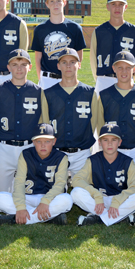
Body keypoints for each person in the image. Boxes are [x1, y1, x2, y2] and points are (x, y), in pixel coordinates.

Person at [0, 123, 71, 226]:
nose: (43, 145)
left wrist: (45, 202)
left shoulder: (61, 157)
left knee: (67, 200)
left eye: (47, 141)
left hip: (50, 199)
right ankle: (48, 218)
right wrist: (21, 207)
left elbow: (60, 184)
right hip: (27, 197)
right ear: (33, 142)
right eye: (38, 141)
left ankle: (15, 219)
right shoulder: (25, 154)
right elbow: (19, 183)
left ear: (54, 141)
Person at [71, 123, 135, 227]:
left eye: (114, 140)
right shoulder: (93, 160)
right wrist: (96, 195)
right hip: (99, 200)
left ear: (120, 142)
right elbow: (77, 180)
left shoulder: (127, 161)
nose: (109, 144)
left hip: (120, 200)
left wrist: (117, 200)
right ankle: (120, 217)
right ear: (100, 142)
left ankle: (98, 218)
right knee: (75, 193)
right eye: (105, 140)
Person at [0, 49, 44, 193]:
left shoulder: (38, 91)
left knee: (30, 192)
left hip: (29, 147)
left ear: (30, 67)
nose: (19, 68)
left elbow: (43, 120)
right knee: (0, 192)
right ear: (8, 67)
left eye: (23, 64)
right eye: (14, 64)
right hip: (5, 148)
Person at [98, 51, 135, 185]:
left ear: (134, 69)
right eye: (120, 67)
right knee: (112, 190)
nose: (124, 71)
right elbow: (100, 124)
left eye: (128, 67)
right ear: (114, 69)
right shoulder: (104, 95)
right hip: (113, 152)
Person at [42, 48, 98, 177]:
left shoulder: (89, 93)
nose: (68, 65)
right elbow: (45, 123)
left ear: (79, 65)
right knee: (55, 193)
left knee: (83, 193)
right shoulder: (48, 93)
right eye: (64, 62)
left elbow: (93, 123)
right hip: (56, 152)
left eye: (72, 62)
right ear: (58, 66)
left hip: (82, 153)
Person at [31, 0, 87, 89]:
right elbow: (38, 58)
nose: (55, 4)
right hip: (47, 79)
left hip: (67, 78)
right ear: (47, 4)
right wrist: (41, 78)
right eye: (51, 1)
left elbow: (79, 56)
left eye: (58, 0)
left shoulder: (75, 28)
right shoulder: (40, 29)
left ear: (64, 2)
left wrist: (71, 75)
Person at [90, 0, 135, 94]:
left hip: (126, 79)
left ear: (126, 7)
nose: (117, 8)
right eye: (113, 4)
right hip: (104, 79)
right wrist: (99, 79)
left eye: (121, 4)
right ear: (107, 6)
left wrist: (132, 77)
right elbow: (92, 58)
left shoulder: (133, 30)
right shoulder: (99, 31)